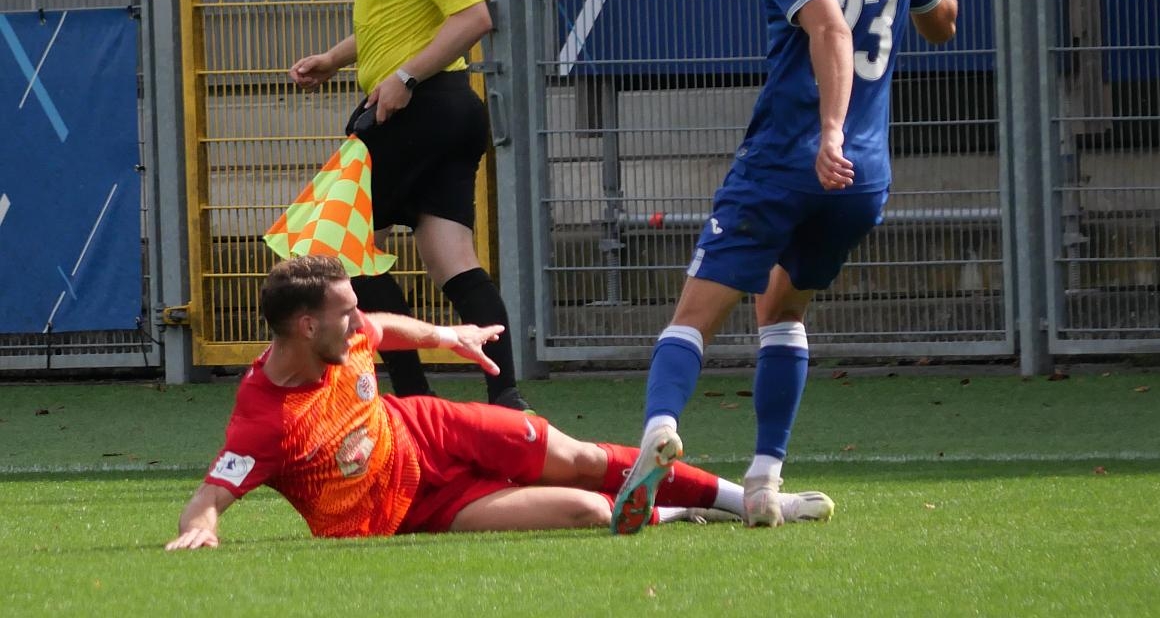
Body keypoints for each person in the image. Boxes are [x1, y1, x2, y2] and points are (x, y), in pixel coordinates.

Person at [610, 0, 958, 535]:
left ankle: (659, 430)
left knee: (693, 319)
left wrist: (827, 132)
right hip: (862, 177)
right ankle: (764, 484)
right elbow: (943, 20)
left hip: (787, 161)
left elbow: (830, 29)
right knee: (782, 312)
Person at [165, 255, 833, 549]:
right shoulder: (265, 419)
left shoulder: (346, 330)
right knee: (587, 511)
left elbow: (386, 327)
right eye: (346, 312)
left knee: (578, 457)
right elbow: (210, 496)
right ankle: (680, 510)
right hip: (416, 512)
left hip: (432, 428)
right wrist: (203, 529)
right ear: (306, 326)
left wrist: (446, 336)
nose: (358, 320)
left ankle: (747, 500)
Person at [288, 0, 526, 410]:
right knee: (451, 260)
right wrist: (335, 58)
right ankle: (507, 398)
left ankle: (412, 396)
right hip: (443, 110)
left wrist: (404, 77)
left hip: (419, 110)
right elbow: (397, 23)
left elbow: (474, 17)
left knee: (336, 247)